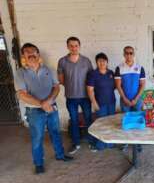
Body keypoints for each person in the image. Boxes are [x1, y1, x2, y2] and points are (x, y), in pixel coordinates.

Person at [14, 43, 73, 174]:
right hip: (34, 111)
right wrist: (42, 104)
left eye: (33, 51)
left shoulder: (49, 70)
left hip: (51, 107)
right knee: (37, 137)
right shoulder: (20, 73)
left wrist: (49, 102)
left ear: (38, 54)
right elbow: (22, 94)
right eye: (27, 52)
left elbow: (56, 87)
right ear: (23, 56)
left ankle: (60, 155)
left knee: (55, 132)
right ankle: (39, 163)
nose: (31, 54)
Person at [57, 37, 95, 154]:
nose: (74, 48)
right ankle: (76, 143)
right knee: (74, 121)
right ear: (68, 47)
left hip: (85, 97)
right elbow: (61, 79)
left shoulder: (86, 61)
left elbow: (91, 79)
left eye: (76, 45)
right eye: (71, 46)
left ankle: (91, 141)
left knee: (88, 119)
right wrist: (72, 87)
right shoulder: (62, 61)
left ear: (79, 46)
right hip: (71, 97)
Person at [114, 46, 146, 152]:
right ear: (124, 54)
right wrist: (124, 99)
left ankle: (138, 143)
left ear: (134, 54)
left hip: (137, 100)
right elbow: (118, 86)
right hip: (125, 100)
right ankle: (126, 142)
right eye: (126, 53)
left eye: (131, 53)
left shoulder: (140, 68)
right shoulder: (119, 68)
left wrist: (136, 99)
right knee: (126, 122)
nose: (129, 55)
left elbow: (142, 85)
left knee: (137, 121)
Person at [86, 53, 116, 150]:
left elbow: (114, 86)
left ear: (107, 62)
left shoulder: (111, 73)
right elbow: (89, 90)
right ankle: (99, 145)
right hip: (100, 103)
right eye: (99, 61)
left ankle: (110, 143)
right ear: (96, 62)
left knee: (111, 123)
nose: (102, 63)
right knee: (101, 124)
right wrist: (94, 103)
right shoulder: (92, 74)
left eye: (104, 60)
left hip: (111, 102)